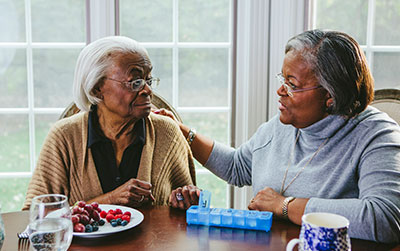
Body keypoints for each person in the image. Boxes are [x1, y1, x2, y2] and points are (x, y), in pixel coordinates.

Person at [161, 29, 400, 243]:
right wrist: (183, 133)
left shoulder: (376, 135)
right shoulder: (284, 125)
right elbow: (237, 167)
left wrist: (284, 205)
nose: (280, 90)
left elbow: (384, 218)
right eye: (282, 79)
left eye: (292, 84)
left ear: (330, 96)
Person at [23, 36, 196, 210]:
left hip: (154, 239)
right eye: (135, 82)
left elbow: (191, 213)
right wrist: (110, 200)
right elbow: (35, 216)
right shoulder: (64, 137)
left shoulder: (167, 132)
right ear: (97, 88)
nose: (147, 90)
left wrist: (186, 199)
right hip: (81, 239)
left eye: (148, 80)